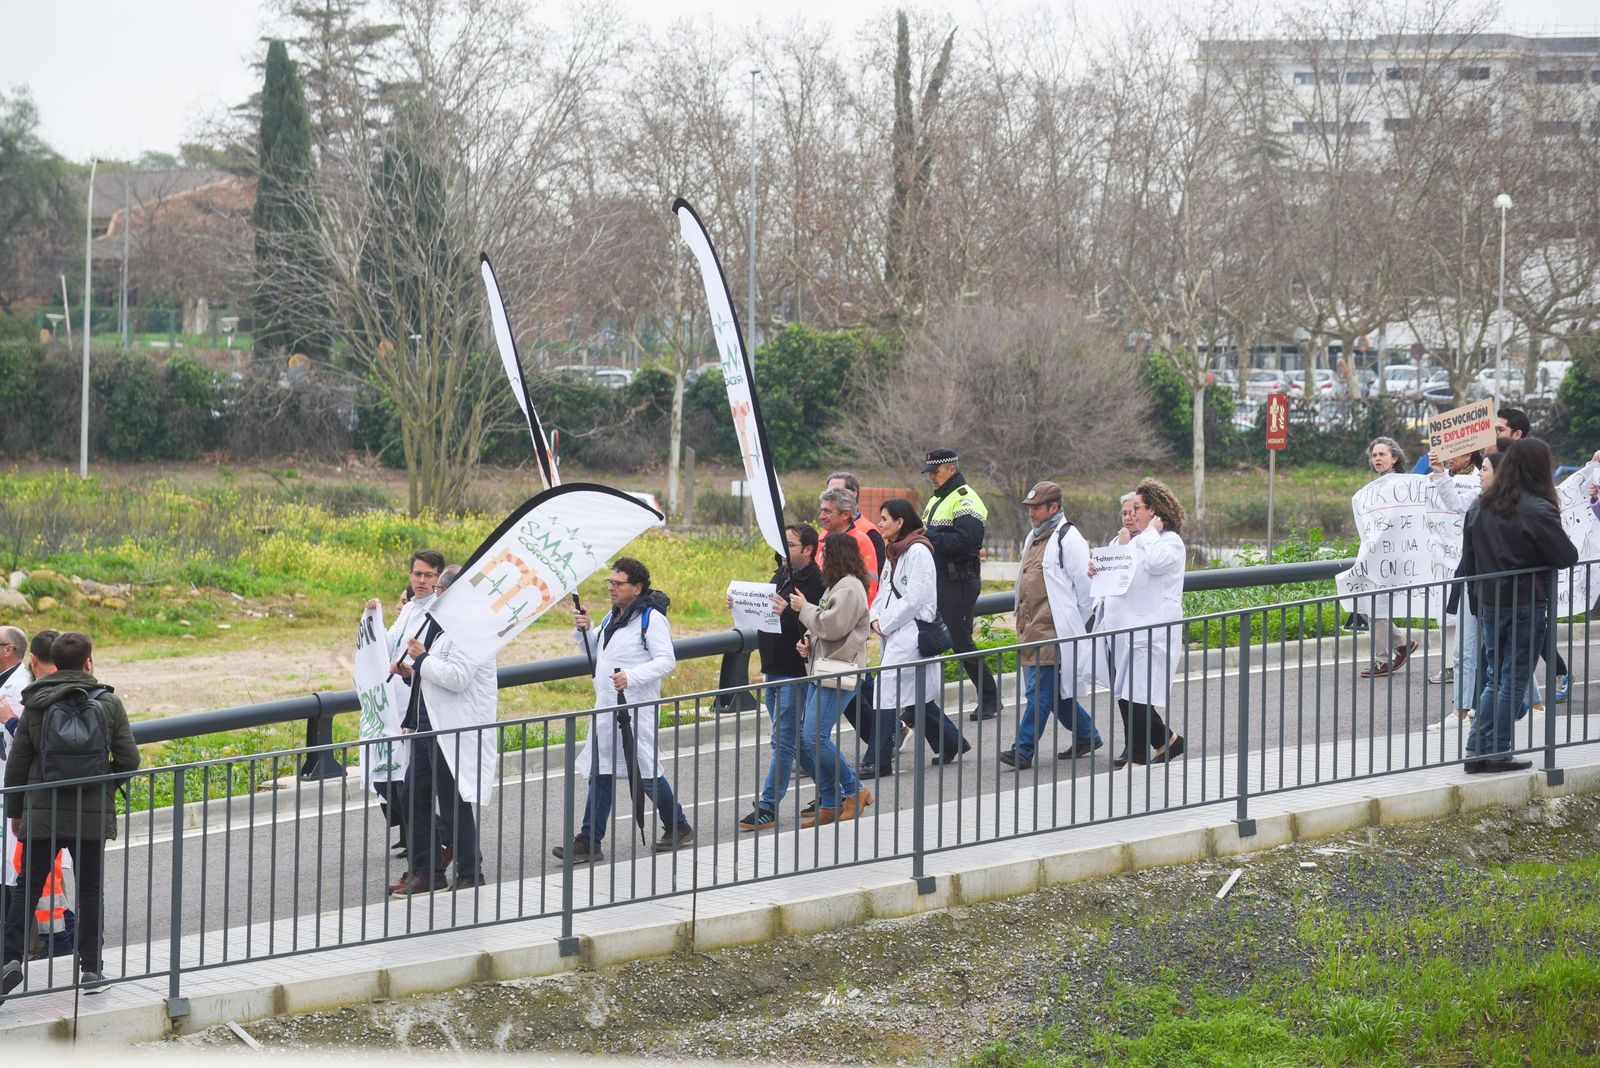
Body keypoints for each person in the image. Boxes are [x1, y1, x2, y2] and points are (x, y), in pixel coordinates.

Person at [3, 632, 140, 1001]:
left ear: (53, 663)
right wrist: (105, 784)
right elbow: (130, 760)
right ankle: (91, 969)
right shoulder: (108, 702)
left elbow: (17, 766)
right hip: (90, 814)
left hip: (42, 813)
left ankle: (9, 961)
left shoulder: (35, 703)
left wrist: (16, 813)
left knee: (26, 890)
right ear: (88, 663)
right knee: (90, 890)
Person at [556, 558, 693, 863]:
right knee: (601, 770)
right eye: (610, 582)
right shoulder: (611, 617)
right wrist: (586, 630)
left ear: (637, 587)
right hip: (607, 708)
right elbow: (598, 651)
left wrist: (631, 677)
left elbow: (666, 660)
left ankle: (678, 824)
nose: (612, 588)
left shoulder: (651, 620)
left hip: (636, 710)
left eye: (618, 583)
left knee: (644, 771)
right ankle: (590, 839)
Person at [1458, 438, 1576, 773]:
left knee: (1495, 678)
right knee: (1513, 680)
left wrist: (1477, 601)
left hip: (1490, 603)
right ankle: (1496, 751)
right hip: (1526, 602)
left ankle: (1476, 750)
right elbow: (1566, 556)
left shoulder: (1479, 506)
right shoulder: (1537, 508)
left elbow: (1469, 560)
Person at [391, 566, 497, 896]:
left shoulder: (473, 630)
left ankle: (469, 871)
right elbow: (435, 674)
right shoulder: (441, 628)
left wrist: (421, 660)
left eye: (437, 589)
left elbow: (457, 677)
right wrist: (411, 672)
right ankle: (428, 872)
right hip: (427, 723)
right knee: (413, 796)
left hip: (452, 727)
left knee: (453, 802)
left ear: (451, 594)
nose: (432, 594)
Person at [999, 482, 1103, 770]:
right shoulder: (1033, 538)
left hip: (1053, 630)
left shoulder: (1068, 539)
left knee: (1039, 692)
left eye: (1036, 508)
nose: (1031, 513)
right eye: (1030, 508)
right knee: (1054, 694)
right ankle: (1087, 735)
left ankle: (1023, 749)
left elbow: (1085, 589)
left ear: (1053, 508)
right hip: (1031, 628)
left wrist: (1072, 626)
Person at [736, 524, 824, 831]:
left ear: (808, 549)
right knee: (795, 740)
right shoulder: (782, 574)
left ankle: (767, 806)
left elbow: (816, 623)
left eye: (790, 545)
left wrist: (789, 610)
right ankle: (839, 789)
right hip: (771, 664)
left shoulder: (816, 581)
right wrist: (742, 605)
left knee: (782, 741)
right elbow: (766, 610)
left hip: (794, 669)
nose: (783, 550)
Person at [1094, 479, 1187, 767]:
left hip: (1153, 630)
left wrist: (1150, 534)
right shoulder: (1127, 540)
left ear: (1154, 512)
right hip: (1123, 628)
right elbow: (1116, 578)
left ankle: (1136, 758)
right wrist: (1096, 569)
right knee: (1126, 693)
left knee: (1136, 695)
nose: (1132, 513)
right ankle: (1166, 742)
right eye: (1130, 508)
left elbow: (1157, 562)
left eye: (1138, 508)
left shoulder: (1169, 542)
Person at [870, 499, 968, 767]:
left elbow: (915, 598)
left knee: (886, 690)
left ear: (900, 522)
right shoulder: (894, 552)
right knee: (916, 697)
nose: (880, 524)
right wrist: (875, 618)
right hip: (895, 631)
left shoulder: (918, 552)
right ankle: (950, 742)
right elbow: (884, 591)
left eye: (885, 519)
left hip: (912, 632)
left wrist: (885, 622)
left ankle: (876, 760)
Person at [791, 533, 874, 826]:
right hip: (826, 669)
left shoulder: (849, 587)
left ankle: (854, 790)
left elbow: (832, 625)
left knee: (815, 737)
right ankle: (829, 802)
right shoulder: (838, 586)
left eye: (826, 553)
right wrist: (807, 644)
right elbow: (826, 629)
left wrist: (804, 609)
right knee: (809, 737)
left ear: (838, 556)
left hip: (839, 671)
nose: (821, 558)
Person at [371, 550, 447, 863]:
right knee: (401, 785)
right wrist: (374, 618)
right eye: (417, 574)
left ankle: (446, 849)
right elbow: (390, 644)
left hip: (428, 711)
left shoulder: (440, 614)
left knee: (423, 789)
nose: (421, 581)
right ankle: (435, 849)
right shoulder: (410, 609)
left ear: (438, 578)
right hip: (404, 708)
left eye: (428, 575)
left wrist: (419, 660)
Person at [919, 448, 1000, 721]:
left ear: (951, 469)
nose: (931, 476)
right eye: (929, 472)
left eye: (935, 471)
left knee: (960, 641)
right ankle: (918, 704)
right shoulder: (936, 500)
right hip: (938, 578)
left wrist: (929, 537)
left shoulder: (966, 500)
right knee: (930, 637)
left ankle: (990, 697)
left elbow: (967, 542)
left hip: (959, 579)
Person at [1428, 447, 1484, 720]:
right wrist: (1439, 473)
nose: (1483, 474)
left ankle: (1532, 707)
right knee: (1465, 649)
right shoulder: (1476, 494)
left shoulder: (1518, 498)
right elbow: (1457, 505)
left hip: (1499, 582)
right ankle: (1461, 710)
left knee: (1499, 650)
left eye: (1487, 470)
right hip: (1470, 575)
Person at [1357, 437, 1419, 678]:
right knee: (1363, 603)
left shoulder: (1402, 485)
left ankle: (1383, 660)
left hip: (1395, 555)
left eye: (1382, 454)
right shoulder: (1376, 487)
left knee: (1376, 606)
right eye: (1374, 455)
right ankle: (1402, 644)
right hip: (1375, 554)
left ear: (1395, 458)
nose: (1377, 459)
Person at [816, 487, 879, 603]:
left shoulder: (861, 541)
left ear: (845, 514)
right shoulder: (822, 536)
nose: (821, 516)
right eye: (821, 510)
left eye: (827, 511)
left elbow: (870, 585)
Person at [825, 472, 888, 577]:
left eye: (836, 492)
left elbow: (878, 574)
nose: (830, 497)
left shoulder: (869, 531)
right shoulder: (824, 531)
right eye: (828, 492)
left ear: (853, 493)